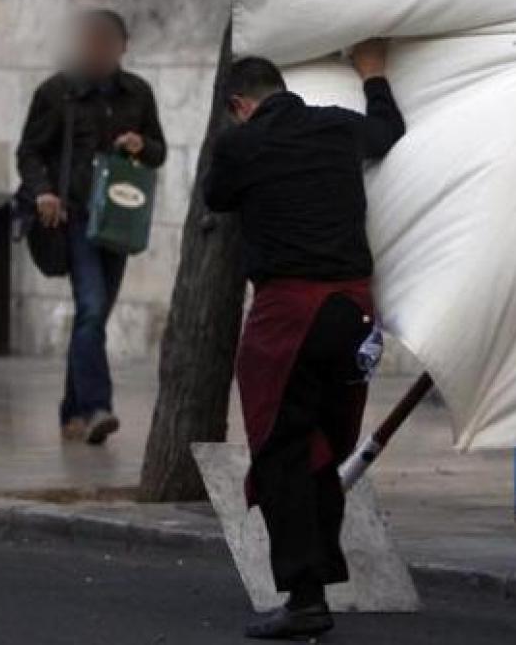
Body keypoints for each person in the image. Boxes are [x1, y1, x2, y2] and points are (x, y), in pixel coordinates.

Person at [203, 42, 405, 640]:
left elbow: (217, 197)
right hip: (351, 313)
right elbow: (388, 131)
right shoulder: (337, 127)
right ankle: (317, 575)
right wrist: (372, 74)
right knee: (323, 443)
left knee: (285, 452)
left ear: (239, 104)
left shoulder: (240, 143)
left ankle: (306, 595)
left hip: (289, 315)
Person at [16, 9, 166, 445]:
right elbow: (29, 152)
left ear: (122, 47)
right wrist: (43, 192)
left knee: (92, 318)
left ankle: (72, 412)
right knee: (93, 308)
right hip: (75, 218)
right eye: (90, 42)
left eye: (106, 43)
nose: (97, 51)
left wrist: (142, 145)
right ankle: (99, 407)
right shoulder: (57, 93)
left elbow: (158, 151)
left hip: (119, 220)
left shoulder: (137, 93)